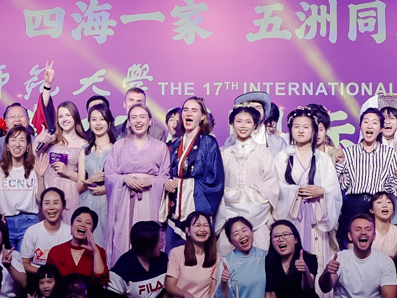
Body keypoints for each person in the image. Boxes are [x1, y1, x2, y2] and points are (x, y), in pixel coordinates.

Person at [103, 103, 169, 262]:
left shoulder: (160, 147)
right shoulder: (119, 146)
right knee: (123, 235)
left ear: (150, 121)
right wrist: (124, 179)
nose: (138, 121)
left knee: (149, 237)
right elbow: (110, 174)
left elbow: (165, 176)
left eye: (142, 117)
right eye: (134, 117)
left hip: (149, 198)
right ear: (128, 122)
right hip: (124, 198)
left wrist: (151, 181)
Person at [277, 108, 341, 258]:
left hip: (316, 216)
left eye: (306, 127)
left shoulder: (322, 158)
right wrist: (294, 192)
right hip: (292, 215)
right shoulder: (282, 157)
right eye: (296, 126)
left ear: (313, 131)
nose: (301, 130)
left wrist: (322, 191)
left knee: (317, 256)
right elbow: (276, 188)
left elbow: (334, 190)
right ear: (290, 129)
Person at [337, 108, 397, 242]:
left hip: (378, 206)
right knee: (352, 245)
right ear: (360, 126)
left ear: (381, 129)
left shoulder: (388, 153)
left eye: (374, 123)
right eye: (366, 122)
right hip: (352, 205)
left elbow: (392, 190)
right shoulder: (349, 152)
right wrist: (340, 163)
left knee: (377, 245)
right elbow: (343, 186)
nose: (369, 126)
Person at [164, 97, 225, 239]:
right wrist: (168, 182)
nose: (189, 113)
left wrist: (183, 184)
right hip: (175, 207)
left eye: (194, 110)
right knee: (174, 250)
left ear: (202, 116)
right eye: (185, 110)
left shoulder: (209, 142)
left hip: (196, 207)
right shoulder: (175, 144)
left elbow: (214, 180)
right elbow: (169, 173)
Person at [219, 104, 278, 247]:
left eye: (248, 122)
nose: (243, 126)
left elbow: (271, 186)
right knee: (226, 252)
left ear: (255, 125)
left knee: (261, 251)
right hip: (228, 218)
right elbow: (218, 186)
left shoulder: (264, 153)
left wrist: (241, 198)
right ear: (232, 123)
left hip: (259, 218)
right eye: (239, 121)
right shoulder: (223, 154)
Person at [45, 206, 108, 285]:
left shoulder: (99, 251)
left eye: (88, 223)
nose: (82, 225)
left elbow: (101, 280)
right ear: (71, 226)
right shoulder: (56, 251)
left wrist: (95, 252)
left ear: (93, 230)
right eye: (79, 221)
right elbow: (48, 282)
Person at [18, 187, 75, 273]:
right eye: (47, 203)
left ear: (63, 206)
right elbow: (25, 262)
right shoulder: (32, 231)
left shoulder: (70, 232)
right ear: (41, 206)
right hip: (37, 276)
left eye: (56, 203)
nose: (51, 207)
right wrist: (44, 273)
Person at [78, 102, 114, 235]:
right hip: (90, 202)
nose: (98, 123)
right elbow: (79, 187)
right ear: (89, 124)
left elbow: (124, 180)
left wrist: (106, 189)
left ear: (109, 123)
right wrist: (91, 179)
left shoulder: (117, 148)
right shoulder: (85, 151)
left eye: (102, 119)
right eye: (94, 120)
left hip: (111, 202)